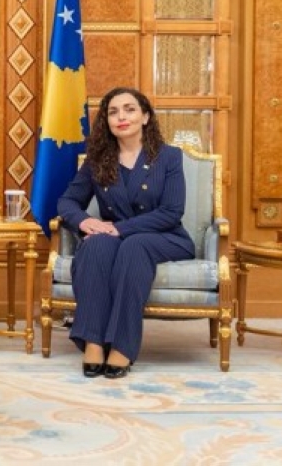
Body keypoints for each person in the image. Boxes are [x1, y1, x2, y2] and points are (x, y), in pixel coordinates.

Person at [56, 86, 195, 379]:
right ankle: (93, 342)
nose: (121, 117)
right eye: (113, 112)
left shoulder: (169, 157)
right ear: (106, 121)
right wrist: (84, 221)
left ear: (145, 117)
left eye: (129, 110)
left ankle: (122, 347)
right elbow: (67, 202)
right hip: (116, 238)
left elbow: (171, 212)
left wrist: (118, 228)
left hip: (165, 236)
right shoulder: (98, 160)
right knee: (95, 246)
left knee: (135, 246)